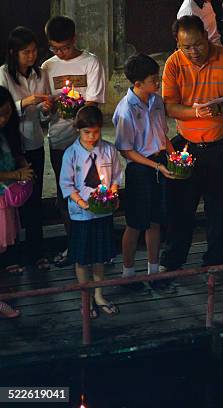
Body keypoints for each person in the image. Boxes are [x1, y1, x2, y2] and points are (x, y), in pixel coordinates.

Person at [160, 16, 223, 285]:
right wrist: (195, 112)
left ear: (207, 37)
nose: (193, 52)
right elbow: (170, 106)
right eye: (186, 47)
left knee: (218, 208)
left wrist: (220, 109)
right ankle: (173, 262)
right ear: (178, 44)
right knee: (181, 208)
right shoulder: (174, 63)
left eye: (198, 45)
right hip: (186, 146)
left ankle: (214, 265)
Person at [42, 16, 106, 267]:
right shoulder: (47, 67)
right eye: (55, 48)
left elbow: (93, 102)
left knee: (92, 190)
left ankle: (97, 246)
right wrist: (48, 106)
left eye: (65, 47)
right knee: (66, 193)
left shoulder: (91, 63)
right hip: (58, 139)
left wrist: (75, 111)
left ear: (75, 39)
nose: (61, 53)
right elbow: (45, 108)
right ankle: (74, 245)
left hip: (87, 142)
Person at [113, 54, 176, 295]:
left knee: (155, 220)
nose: (157, 82)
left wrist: (175, 157)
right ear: (137, 83)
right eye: (153, 79)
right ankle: (128, 273)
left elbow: (162, 135)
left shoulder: (157, 101)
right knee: (135, 223)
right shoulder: (125, 110)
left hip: (159, 162)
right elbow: (126, 150)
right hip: (141, 168)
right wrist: (155, 166)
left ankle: (153, 270)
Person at [60, 106, 122, 318]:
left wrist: (113, 195)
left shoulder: (109, 150)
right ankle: (85, 298)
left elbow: (115, 178)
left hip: (103, 214)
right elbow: (66, 185)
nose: (92, 137)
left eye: (95, 132)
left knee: (99, 256)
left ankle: (99, 295)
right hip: (81, 215)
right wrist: (82, 202)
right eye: (86, 133)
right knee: (82, 257)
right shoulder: (71, 154)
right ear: (78, 130)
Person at [0, 26, 52, 270]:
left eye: (34, 51)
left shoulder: (40, 75)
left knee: (33, 197)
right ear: (13, 53)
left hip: (33, 143)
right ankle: (12, 254)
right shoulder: (4, 74)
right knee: (8, 202)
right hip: (10, 144)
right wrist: (25, 103)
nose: (31, 56)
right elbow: (3, 108)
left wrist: (46, 110)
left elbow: (43, 118)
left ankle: (37, 252)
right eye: (26, 52)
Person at [0, 86, 34, 317]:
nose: (3, 119)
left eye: (7, 113)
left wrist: (21, 164)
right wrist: (16, 176)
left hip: (4, 199)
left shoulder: (7, 132)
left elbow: (13, 154)